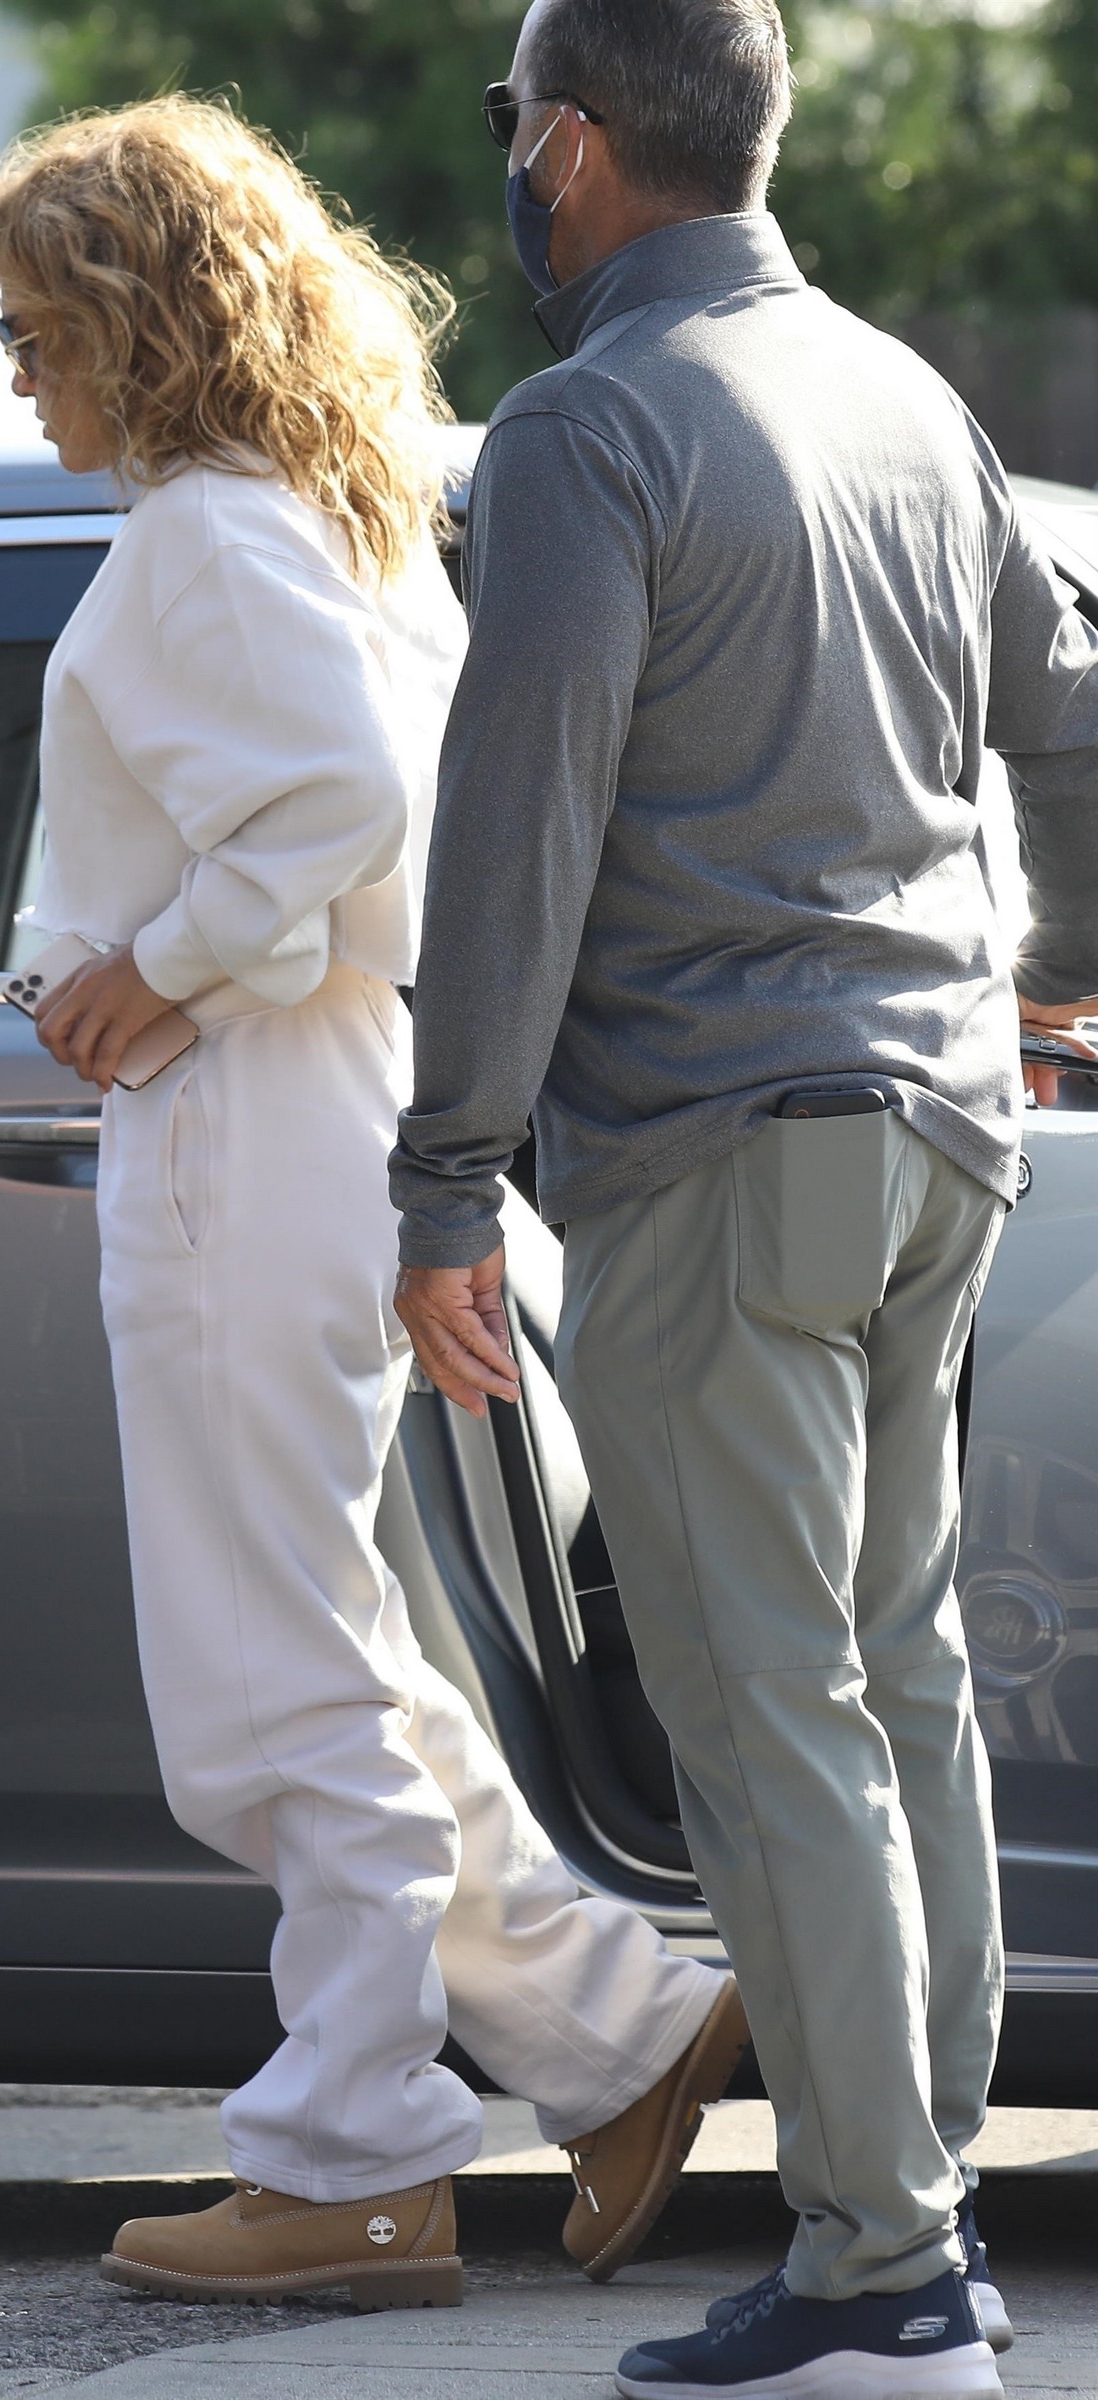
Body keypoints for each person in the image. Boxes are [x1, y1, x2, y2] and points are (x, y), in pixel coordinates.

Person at [0, 94, 742, 2314]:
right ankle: (617, 2031)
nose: (16, 376)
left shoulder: (207, 534)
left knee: (261, 1679)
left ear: (132, 318)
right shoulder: (326, 511)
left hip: (248, 1118)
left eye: (34, 331)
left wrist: (150, 966)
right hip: (325, 1106)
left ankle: (357, 2157)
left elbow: (339, 804)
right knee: (336, 1647)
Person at [390, 0, 1098, 2391]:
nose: (511, 159)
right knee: (895, 1676)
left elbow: (519, 826)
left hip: (715, 1144)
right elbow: (1071, 707)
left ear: (573, 150)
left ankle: (881, 2271)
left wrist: (444, 1175)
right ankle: (922, 2219)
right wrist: (1037, 974)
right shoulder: (906, 392)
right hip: (939, 1140)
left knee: (773, 1708)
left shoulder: (587, 427)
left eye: (514, 121)